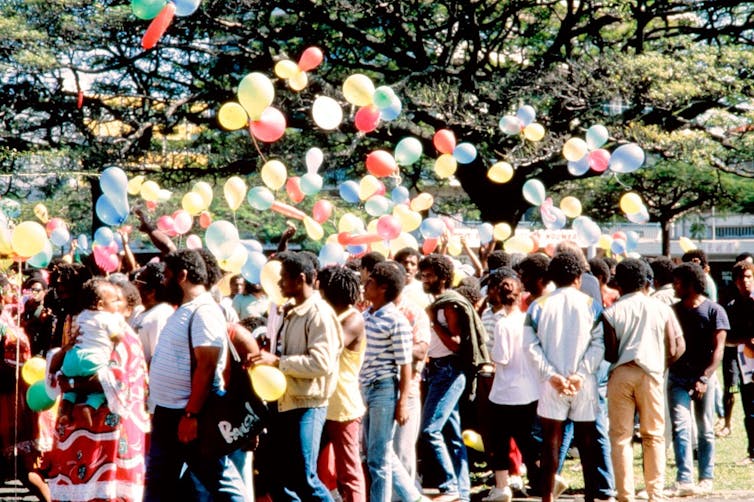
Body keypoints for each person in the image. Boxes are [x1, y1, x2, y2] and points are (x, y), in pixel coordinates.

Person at [145, 249, 246, 501]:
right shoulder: (186, 309)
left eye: (167, 276)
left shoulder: (204, 311)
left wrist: (191, 415)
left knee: (222, 484)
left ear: (183, 275)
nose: (163, 282)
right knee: (159, 485)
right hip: (170, 414)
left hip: (191, 416)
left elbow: (207, 365)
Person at [47, 277, 149, 502]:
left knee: (107, 492)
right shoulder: (88, 330)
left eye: (118, 300)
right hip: (80, 430)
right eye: (110, 300)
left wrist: (72, 384)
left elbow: (120, 380)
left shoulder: (124, 338)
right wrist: (67, 353)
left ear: (127, 308)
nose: (113, 306)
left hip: (111, 431)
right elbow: (64, 363)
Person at [252, 252, 343, 501]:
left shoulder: (319, 314)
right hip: (284, 402)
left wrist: (278, 362)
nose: (279, 285)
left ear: (300, 279)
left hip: (307, 405)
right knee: (273, 473)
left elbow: (321, 363)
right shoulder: (292, 311)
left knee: (304, 477)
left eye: (284, 279)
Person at [523, 251, 606, 502]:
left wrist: (551, 375)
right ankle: (591, 495)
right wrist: (581, 375)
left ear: (551, 277)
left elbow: (529, 345)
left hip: (552, 383)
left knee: (551, 441)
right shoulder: (592, 304)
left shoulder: (538, 305)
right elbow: (599, 343)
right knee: (587, 441)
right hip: (584, 382)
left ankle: (547, 496)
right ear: (579, 277)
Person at [603, 259, 685, 502]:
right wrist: (662, 364)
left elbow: (610, 351)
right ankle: (655, 493)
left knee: (620, 437)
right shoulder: (662, 308)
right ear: (647, 280)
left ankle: (625, 495)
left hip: (621, 373)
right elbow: (676, 346)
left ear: (619, 282)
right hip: (651, 374)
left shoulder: (611, 311)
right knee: (654, 435)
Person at [419, 254, 489, 502]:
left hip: (449, 370)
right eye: (423, 275)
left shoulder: (447, 304)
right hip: (437, 369)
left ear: (443, 277)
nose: (424, 279)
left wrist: (432, 321)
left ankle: (449, 486)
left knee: (430, 430)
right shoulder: (438, 302)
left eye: (429, 275)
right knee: (451, 434)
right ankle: (462, 491)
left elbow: (457, 344)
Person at [361, 261, 425, 502]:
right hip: (365, 388)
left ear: (384, 288)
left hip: (384, 389)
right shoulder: (365, 315)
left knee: (379, 458)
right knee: (379, 452)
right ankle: (413, 497)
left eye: (371, 283)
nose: (365, 286)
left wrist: (402, 402)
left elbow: (404, 363)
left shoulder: (397, 321)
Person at [667, 262, 729, 496]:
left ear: (691, 283)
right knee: (681, 427)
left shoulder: (715, 311)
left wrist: (704, 377)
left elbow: (719, 350)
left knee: (705, 429)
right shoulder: (673, 311)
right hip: (678, 378)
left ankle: (706, 478)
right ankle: (684, 479)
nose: (674, 285)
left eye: (678, 281)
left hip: (705, 378)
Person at [482, 267, 541, 502]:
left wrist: (491, 355)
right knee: (529, 442)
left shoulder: (501, 324)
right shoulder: (528, 320)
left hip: (504, 390)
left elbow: (501, 357)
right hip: (529, 389)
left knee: (499, 440)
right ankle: (541, 481)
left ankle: (501, 486)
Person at [318, 266, 367, 502]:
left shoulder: (352, 319)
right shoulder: (334, 316)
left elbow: (330, 348)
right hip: (323, 402)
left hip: (343, 406)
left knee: (349, 470)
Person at [56, 278, 126, 427]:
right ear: (100, 305)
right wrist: (120, 335)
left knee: (70, 391)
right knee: (103, 387)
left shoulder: (81, 316)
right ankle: (89, 407)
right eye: (114, 301)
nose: (117, 305)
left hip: (72, 359)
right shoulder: (107, 318)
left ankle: (66, 413)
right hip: (93, 359)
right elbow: (116, 336)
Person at [723, 261, 754, 464]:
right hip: (746, 364)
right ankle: (752, 452)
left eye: (749, 277)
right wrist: (744, 340)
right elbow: (725, 338)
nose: (746, 281)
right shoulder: (732, 308)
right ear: (735, 281)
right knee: (750, 409)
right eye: (742, 278)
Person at [130, 261, 174, 365]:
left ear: (151, 292)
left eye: (138, 282)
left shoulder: (160, 315)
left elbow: (157, 358)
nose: (135, 286)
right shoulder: (140, 311)